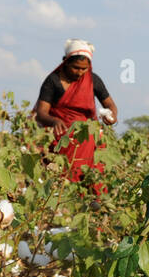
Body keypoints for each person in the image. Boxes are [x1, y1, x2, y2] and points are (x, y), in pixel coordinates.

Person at [34, 39, 118, 191]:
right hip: (61, 136)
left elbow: (110, 105)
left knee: (92, 178)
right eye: (76, 68)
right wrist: (54, 121)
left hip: (86, 136)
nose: (80, 72)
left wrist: (111, 117)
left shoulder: (93, 80)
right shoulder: (53, 81)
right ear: (65, 62)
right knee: (59, 177)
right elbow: (41, 113)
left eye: (84, 69)